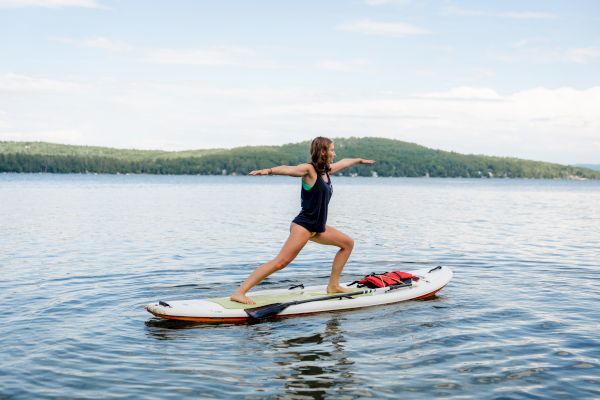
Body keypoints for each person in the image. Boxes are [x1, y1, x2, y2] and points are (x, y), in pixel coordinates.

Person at [230, 137, 375, 304]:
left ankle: (333, 285)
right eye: (332, 150)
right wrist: (269, 171)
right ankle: (240, 292)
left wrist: (359, 160)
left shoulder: (326, 171)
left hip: (318, 227)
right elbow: (289, 169)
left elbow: (344, 162)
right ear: (323, 152)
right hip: (304, 226)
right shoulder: (309, 170)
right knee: (280, 262)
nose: (334, 153)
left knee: (347, 244)